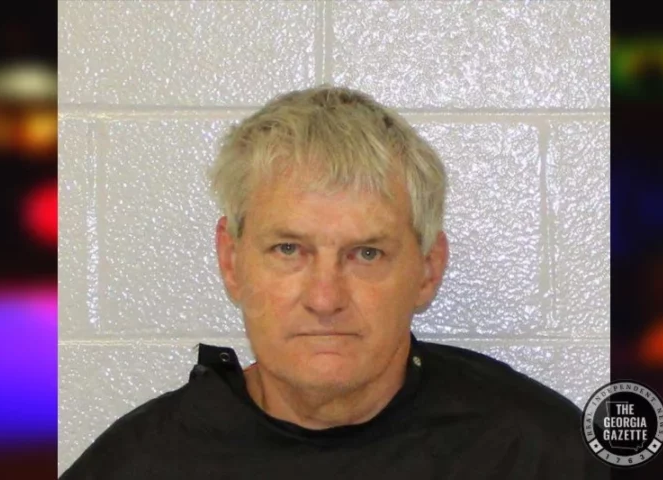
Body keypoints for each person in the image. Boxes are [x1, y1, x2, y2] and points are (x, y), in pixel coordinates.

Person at [60, 85, 609, 479]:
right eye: (288, 249)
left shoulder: (539, 453)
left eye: (366, 253)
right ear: (231, 260)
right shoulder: (140, 463)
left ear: (427, 269)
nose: (325, 299)